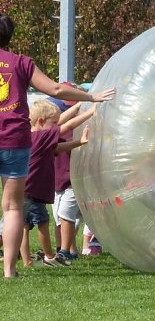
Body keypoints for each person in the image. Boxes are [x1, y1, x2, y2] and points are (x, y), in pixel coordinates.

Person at [0, 13, 116, 278]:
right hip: (14, 139)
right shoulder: (20, 62)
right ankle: (9, 271)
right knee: (13, 207)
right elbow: (56, 90)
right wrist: (90, 97)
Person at [20, 99, 94, 267]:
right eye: (53, 123)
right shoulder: (41, 136)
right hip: (33, 191)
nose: (56, 126)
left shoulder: (31, 136)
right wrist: (90, 112)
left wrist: (79, 142)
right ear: (40, 122)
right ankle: (50, 256)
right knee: (43, 223)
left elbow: (56, 149)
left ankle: (27, 261)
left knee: (23, 226)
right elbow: (66, 126)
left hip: (24, 189)